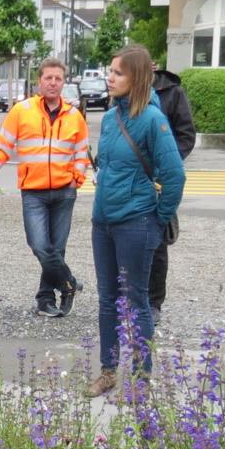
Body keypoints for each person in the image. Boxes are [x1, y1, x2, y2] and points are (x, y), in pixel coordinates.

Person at [86, 44, 185, 398]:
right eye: (109, 71)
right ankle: (108, 371)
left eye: (118, 72)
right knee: (107, 299)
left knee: (136, 300)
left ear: (138, 78)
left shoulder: (152, 119)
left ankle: (142, 380)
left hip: (136, 223)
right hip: (104, 222)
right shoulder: (112, 118)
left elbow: (174, 176)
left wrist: (156, 222)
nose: (109, 78)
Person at [0, 57, 90, 318]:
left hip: (64, 191)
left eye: (58, 78)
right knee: (39, 245)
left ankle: (45, 299)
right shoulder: (22, 111)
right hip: (33, 192)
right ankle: (68, 284)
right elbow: (1, 148)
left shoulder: (74, 115)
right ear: (39, 81)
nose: (53, 83)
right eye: (48, 78)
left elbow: (82, 152)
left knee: (57, 248)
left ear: (64, 82)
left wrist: (77, 178)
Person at [148, 63, 196, 325]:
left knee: (157, 243)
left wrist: (166, 164)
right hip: (131, 181)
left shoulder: (172, 93)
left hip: (159, 181)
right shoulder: (122, 94)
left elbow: (186, 136)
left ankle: (154, 301)